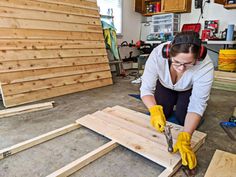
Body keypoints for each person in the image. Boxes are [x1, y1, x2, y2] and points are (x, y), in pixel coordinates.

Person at [140, 31, 214, 170]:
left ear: (198, 58)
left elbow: (197, 104)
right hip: (165, 85)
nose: (181, 68)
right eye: (177, 62)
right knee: (163, 113)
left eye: (188, 64)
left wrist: (187, 137)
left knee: (182, 118)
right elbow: (146, 90)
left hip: (187, 89)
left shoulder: (205, 65)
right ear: (168, 54)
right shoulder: (157, 54)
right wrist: (154, 110)